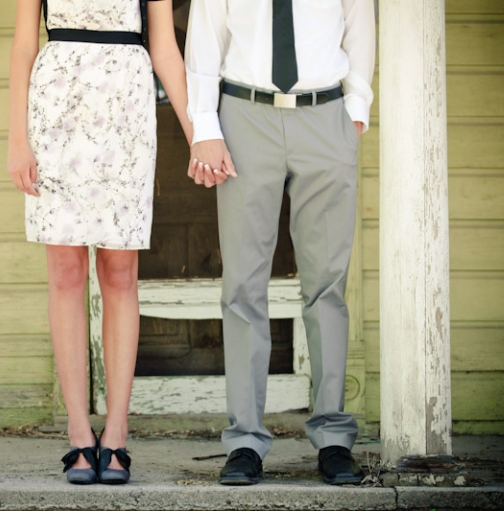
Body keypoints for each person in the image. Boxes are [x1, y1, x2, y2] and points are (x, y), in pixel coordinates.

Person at [184, 0, 376, 485]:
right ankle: (245, 440)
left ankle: (333, 437)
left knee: (327, 284)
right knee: (243, 285)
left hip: (325, 116)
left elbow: (359, 28)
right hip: (245, 117)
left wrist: (355, 109)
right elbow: (206, 43)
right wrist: (205, 124)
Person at [7, 0, 192, 485]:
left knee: (119, 272)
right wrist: (16, 138)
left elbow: (165, 49)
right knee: (66, 273)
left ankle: (116, 429)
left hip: (125, 110)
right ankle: (77, 431)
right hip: (56, 106)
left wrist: (200, 133)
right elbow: (25, 45)